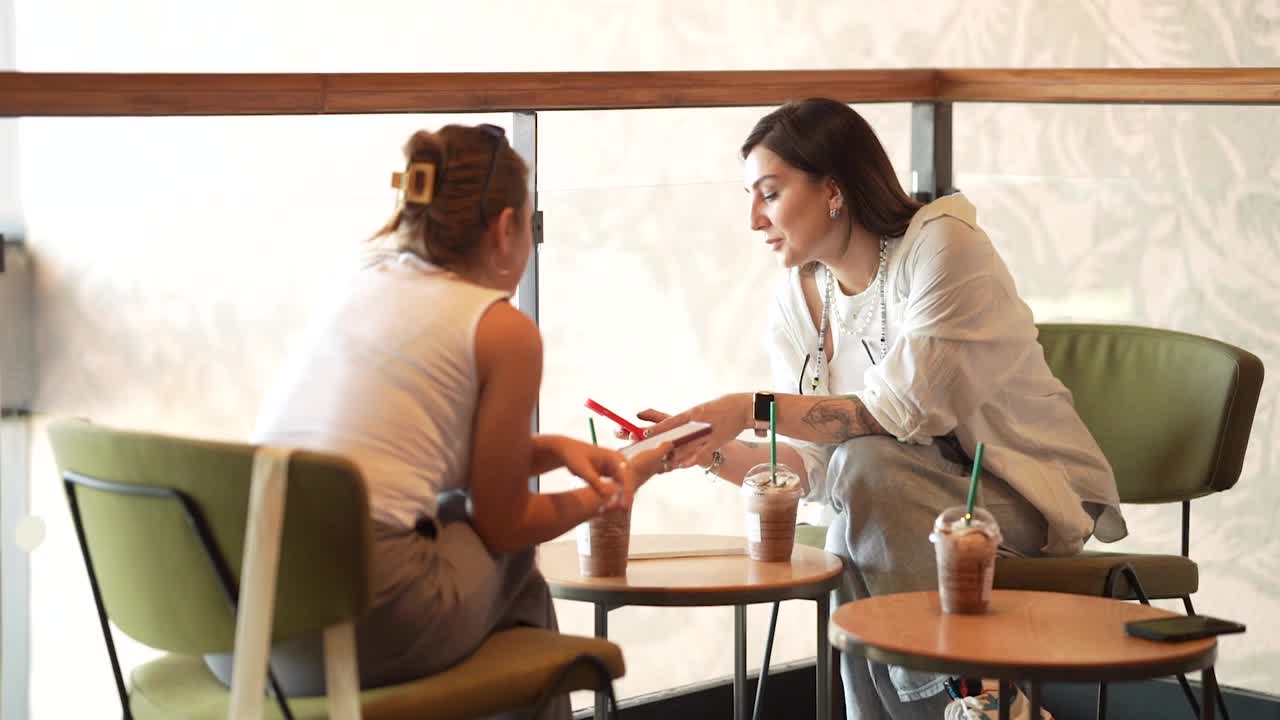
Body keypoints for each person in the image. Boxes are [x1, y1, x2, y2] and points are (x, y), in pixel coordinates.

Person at [640, 99, 1127, 719]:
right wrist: (706, 447)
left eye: (769, 192)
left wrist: (751, 407)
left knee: (865, 479)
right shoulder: (798, 300)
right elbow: (814, 467)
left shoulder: (943, 248)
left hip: (1027, 492)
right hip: (895, 507)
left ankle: (964, 698)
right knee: (852, 501)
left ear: (833, 189)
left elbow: (902, 412)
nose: (753, 219)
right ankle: (975, 701)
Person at [206, 124, 673, 718]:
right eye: (530, 227)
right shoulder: (502, 330)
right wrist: (605, 495)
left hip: (235, 621)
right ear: (505, 228)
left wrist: (552, 448)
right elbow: (503, 526)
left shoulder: (359, 286)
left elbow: (401, 457)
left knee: (454, 520)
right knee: (507, 558)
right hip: (352, 628)